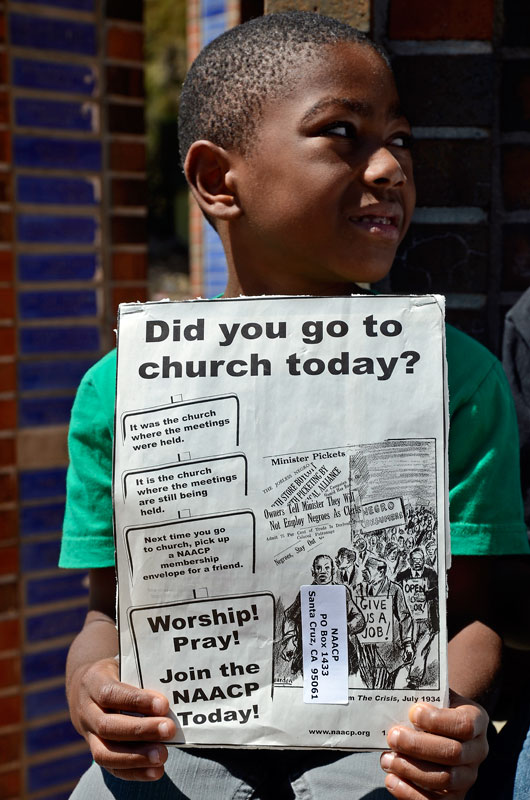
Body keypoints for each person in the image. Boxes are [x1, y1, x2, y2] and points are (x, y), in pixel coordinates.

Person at [60, 11, 530, 799]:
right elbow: (103, 617)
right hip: (185, 740)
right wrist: (95, 692)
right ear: (217, 181)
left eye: (402, 139)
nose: (389, 167)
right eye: (344, 133)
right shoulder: (123, 388)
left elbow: (475, 618)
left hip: (377, 746)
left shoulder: (458, 378)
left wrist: (449, 713)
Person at [280, 554, 365, 676]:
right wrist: (290, 640)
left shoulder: (342, 591)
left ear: (333, 570)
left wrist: (347, 627)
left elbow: (359, 618)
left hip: (338, 649)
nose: (323, 572)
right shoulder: (306, 593)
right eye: (318, 568)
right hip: (311, 651)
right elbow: (290, 617)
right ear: (313, 571)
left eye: (326, 568)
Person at [355, 556, 414, 689]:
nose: (364, 572)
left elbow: (405, 617)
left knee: (381, 689)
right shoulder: (359, 589)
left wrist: (407, 644)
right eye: (364, 568)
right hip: (365, 649)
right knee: (368, 686)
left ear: (380, 572)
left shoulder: (394, 589)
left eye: (368, 569)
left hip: (386, 651)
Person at [395, 548, 439, 689]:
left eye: (420, 559)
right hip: (409, 620)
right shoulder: (402, 576)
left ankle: (414, 679)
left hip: (426, 619)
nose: (418, 562)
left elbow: (439, 590)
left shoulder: (431, 574)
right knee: (410, 648)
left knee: (421, 649)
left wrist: (426, 595)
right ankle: (411, 669)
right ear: (410, 560)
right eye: (415, 560)